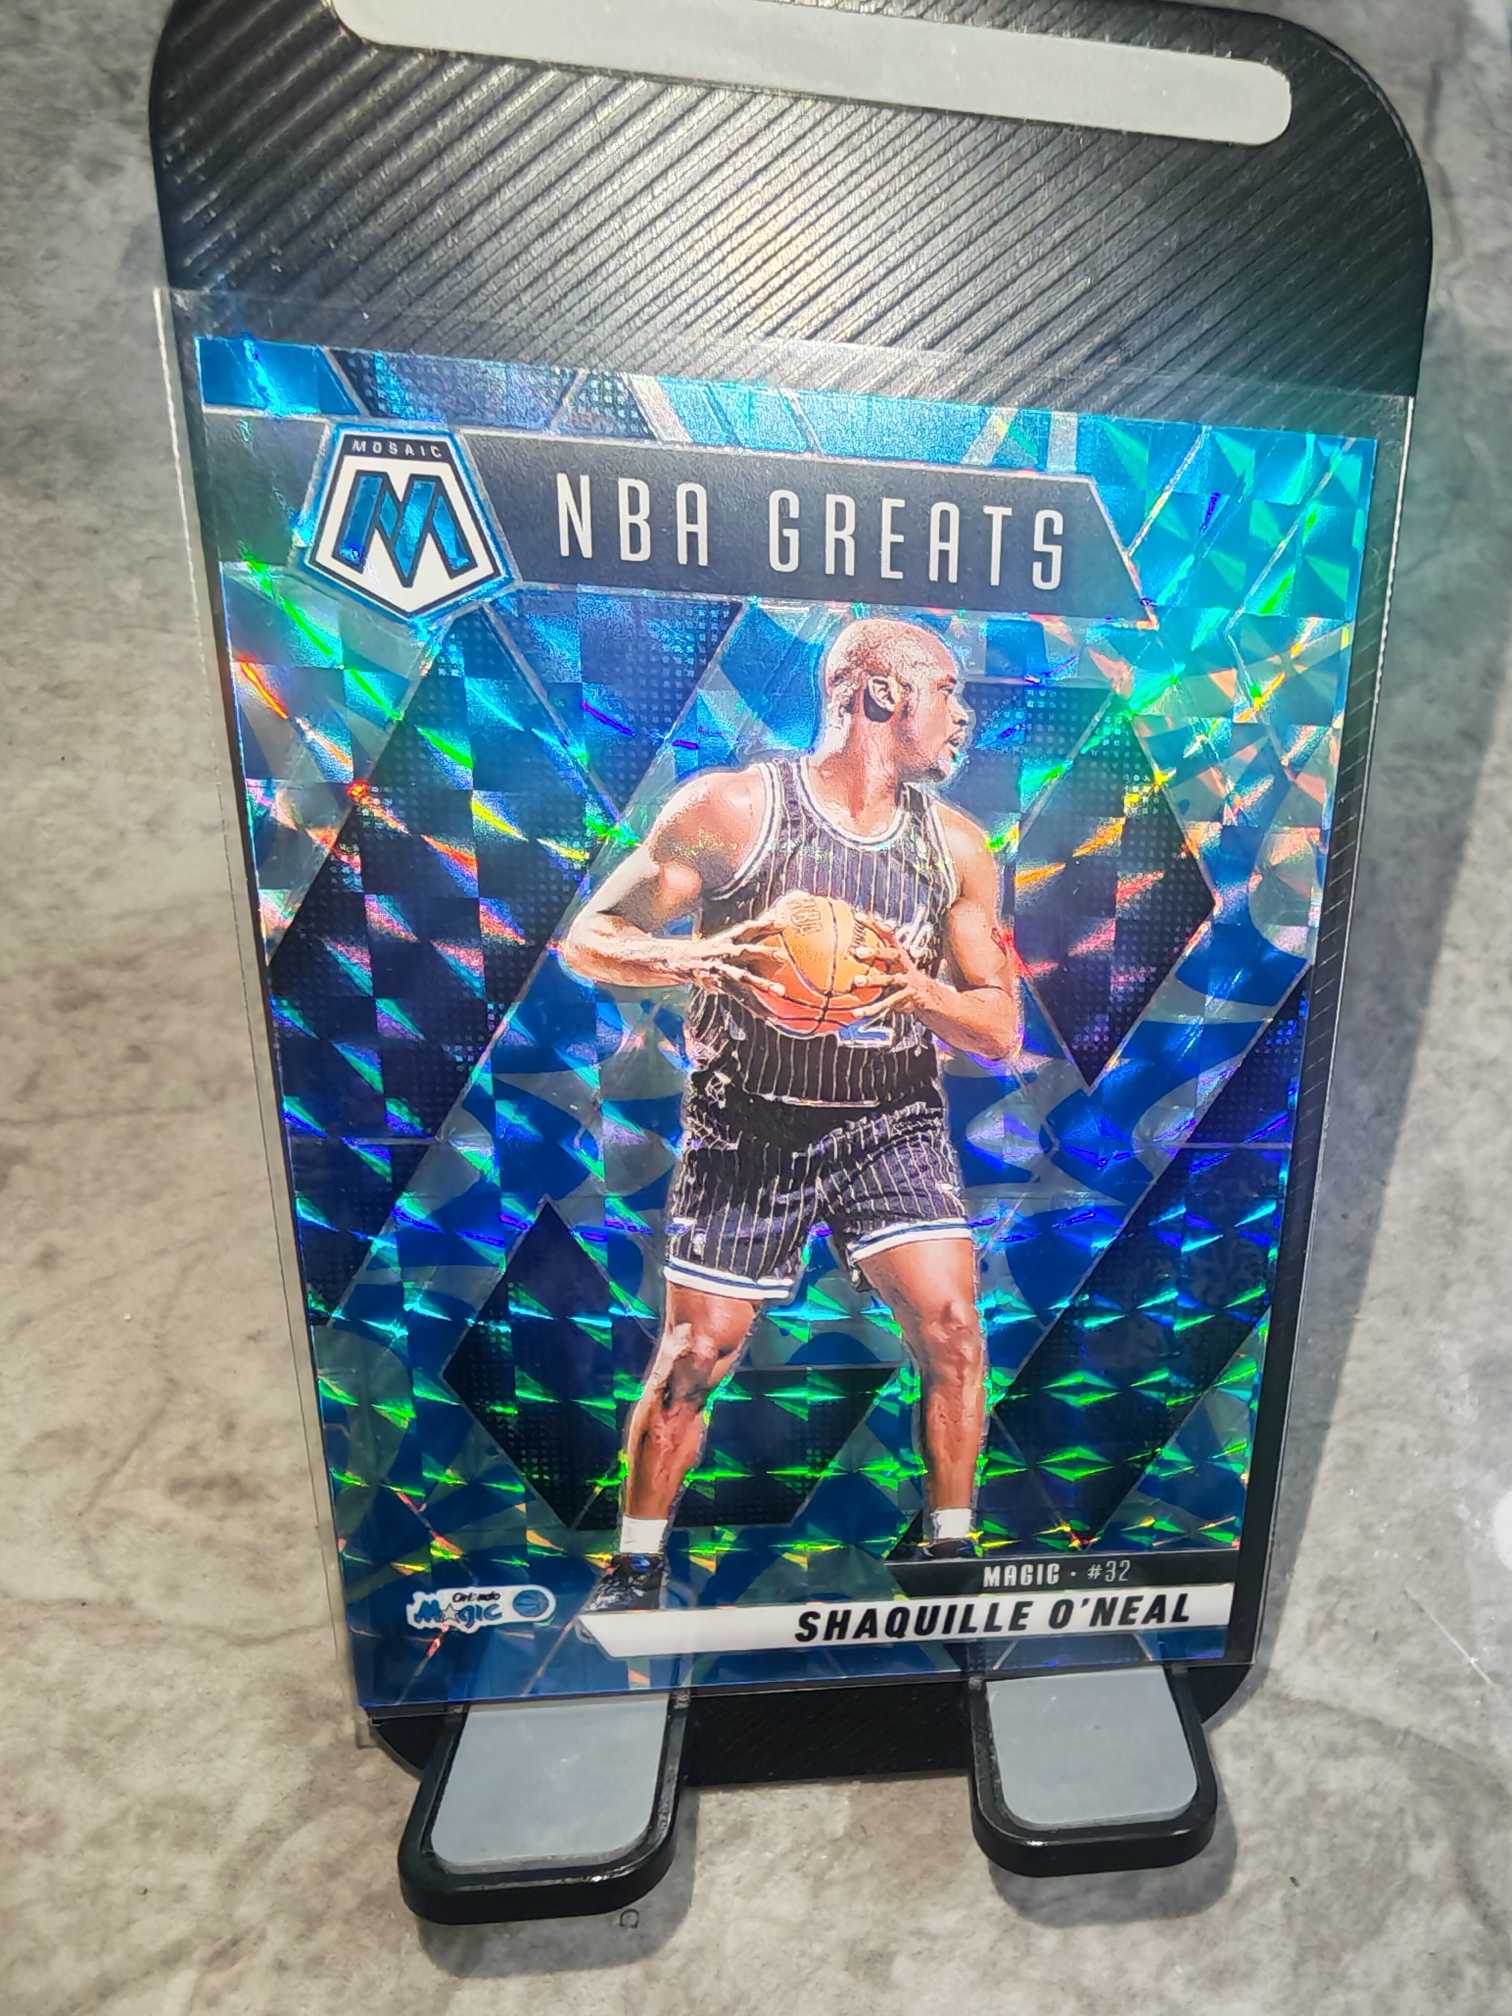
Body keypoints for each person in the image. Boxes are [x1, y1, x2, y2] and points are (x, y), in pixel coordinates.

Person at [561, 616, 1021, 1609]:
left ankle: (950, 1552)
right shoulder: (731, 810)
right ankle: (635, 1567)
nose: (963, 716)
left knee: (953, 1330)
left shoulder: (955, 847)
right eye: (948, 691)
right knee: (697, 1355)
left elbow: (1000, 1027)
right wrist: (697, 957)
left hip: (889, 1120)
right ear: (883, 693)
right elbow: (588, 939)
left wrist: (917, 991)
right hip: (751, 1122)